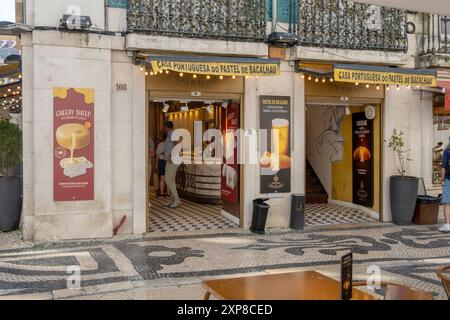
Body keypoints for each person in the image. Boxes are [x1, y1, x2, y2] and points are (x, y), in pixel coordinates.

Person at [164, 121, 181, 209]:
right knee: (171, 180)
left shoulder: (172, 134)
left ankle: (177, 200)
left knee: (168, 179)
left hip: (172, 160)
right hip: (171, 160)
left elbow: (178, 144)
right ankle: (173, 199)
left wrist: (171, 155)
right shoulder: (171, 134)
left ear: (166, 127)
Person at [440, 139, 450, 232]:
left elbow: (443, 167)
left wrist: (442, 179)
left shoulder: (447, 151)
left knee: (447, 203)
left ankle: (447, 225)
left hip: (448, 179)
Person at [156, 131, 168, 197]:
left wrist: (156, 164)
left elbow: (157, 155)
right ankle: (168, 193)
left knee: (162, 178)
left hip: (161, 161)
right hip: (168, 162)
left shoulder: (160, 144)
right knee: (168, 178)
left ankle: (161, 193)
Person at [148, 136, 155, 208]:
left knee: (147, 183)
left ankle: (146, 200)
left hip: (147, 164)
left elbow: (152, 154)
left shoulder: (149, 140)